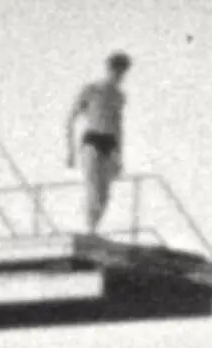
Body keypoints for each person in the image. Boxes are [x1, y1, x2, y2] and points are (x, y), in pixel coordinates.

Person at [66, 52, 131, 234]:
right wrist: (70, 151)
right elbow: (71, 119)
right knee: (93, 187)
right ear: (109, 70)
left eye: (122, 73)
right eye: (116, 72)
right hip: (92, 138)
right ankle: (90, 229)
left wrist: (119, 156)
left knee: (105, 194)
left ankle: (94, 227)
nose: (119, 77)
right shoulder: (91, 90)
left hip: (110, 142)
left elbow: (119, 126)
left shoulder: (119, 96)